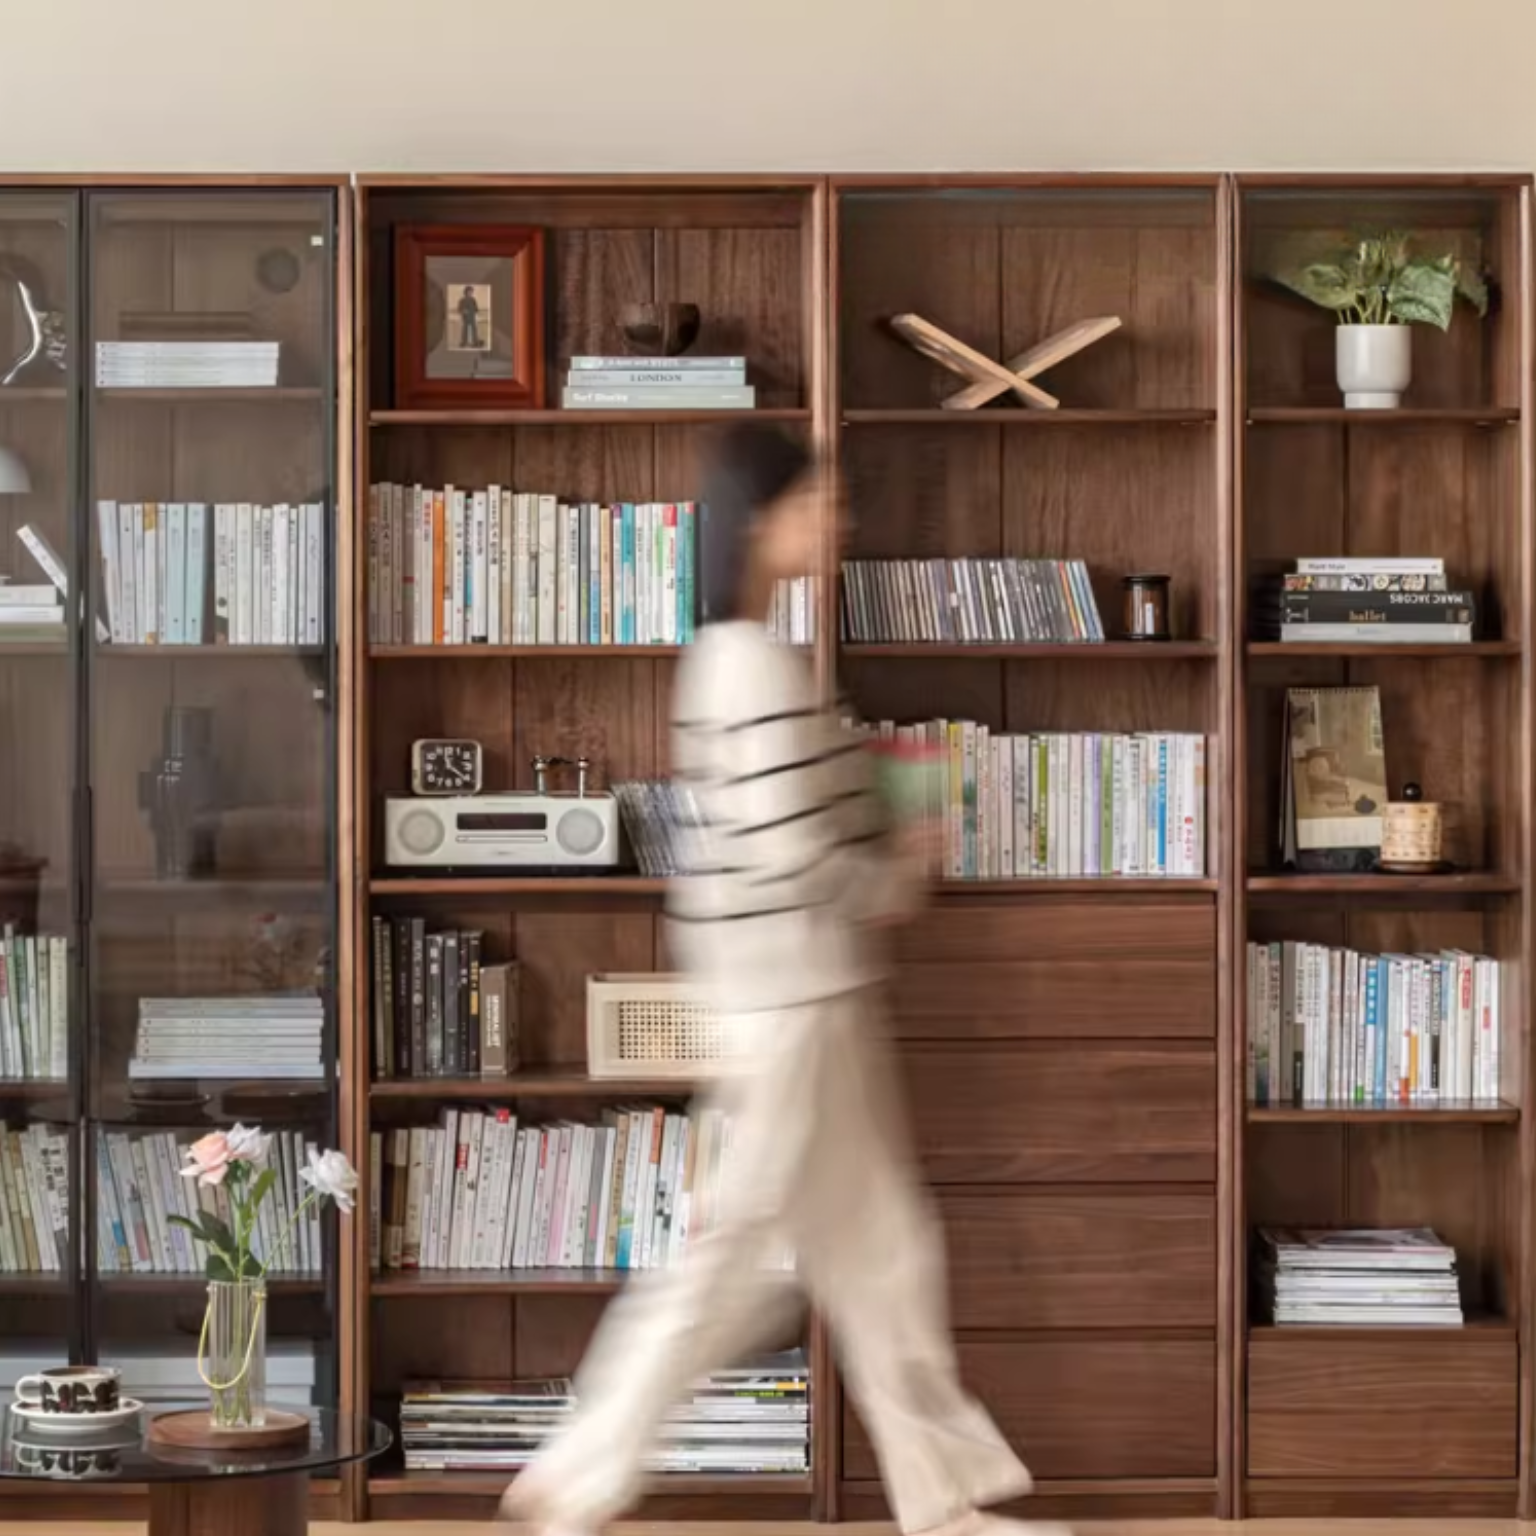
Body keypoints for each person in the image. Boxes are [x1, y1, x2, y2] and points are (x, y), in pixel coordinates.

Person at [500, 423, 1066, 1536]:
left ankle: (943, 1503)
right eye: (822, 502)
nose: (840, 520)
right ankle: (577, 1471)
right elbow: (790, 852)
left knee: (883, 1252)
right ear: (764, 520)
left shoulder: (750, 653)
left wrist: (873, 814)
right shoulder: (747, 663)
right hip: (793, 1000)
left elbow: (800, 820)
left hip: (813, 993)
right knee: (743, 1256)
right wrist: (896, 867)